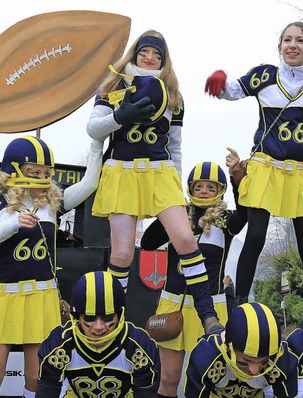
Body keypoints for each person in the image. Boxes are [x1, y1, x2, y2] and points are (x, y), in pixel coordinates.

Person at [204, 21, 303, 325]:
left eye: (300, 41)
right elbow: (233, 91)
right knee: (255, 236)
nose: (293, 45)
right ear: (279, 47)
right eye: (287, 40)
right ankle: (240, 306)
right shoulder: (265, 75)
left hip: (300, 172)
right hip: (265, 166)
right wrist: (220, 80)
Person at [86, 30, 219, 331]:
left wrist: (180, 188)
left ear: (164, 60)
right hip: (122, 171)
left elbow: (175, 146)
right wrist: (121, 116)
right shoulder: (113, 85)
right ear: (134, 54)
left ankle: (207, 314)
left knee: (185, 239)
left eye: (157, 55)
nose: (150, 58)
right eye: (145, 52)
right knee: (121, 253)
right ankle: (110, 323)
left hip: (160, 172)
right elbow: (93, 129)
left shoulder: (173, 95)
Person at [0, 135, 102, 398]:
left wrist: (97, 141)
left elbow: (90, 183)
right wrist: (11, 226)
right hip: (2, 296)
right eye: (34, 172)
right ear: (13, 170)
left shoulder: (50, 204)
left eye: (45, 172)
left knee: (37, 379)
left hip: (41, 296)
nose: (42, 177)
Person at [140, 151, 247, 398]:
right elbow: (147, 242)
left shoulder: (225, 220)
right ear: (190, 188)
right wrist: (168, 211)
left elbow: (244, 216)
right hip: (173, 304)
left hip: (211, 307)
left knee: (208, 377)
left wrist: (237, 179)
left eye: (210, 187)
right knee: (168, 378)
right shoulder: (178, 215)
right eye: (199, 186)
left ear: (220, 190)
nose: (204, 191)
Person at [36, 271, 160, 397]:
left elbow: (145, 394)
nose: (99, 327)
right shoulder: (59, 343)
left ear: (120, 315)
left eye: (107, 318)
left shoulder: (138, 346)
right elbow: (47, 391)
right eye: (90, 318)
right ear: (76, 316)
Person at [184, 302, 299, 398]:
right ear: (228, 348)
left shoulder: (283, 359)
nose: (254, 371)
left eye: (264, 362)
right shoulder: (205, 356)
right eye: (245, 362)